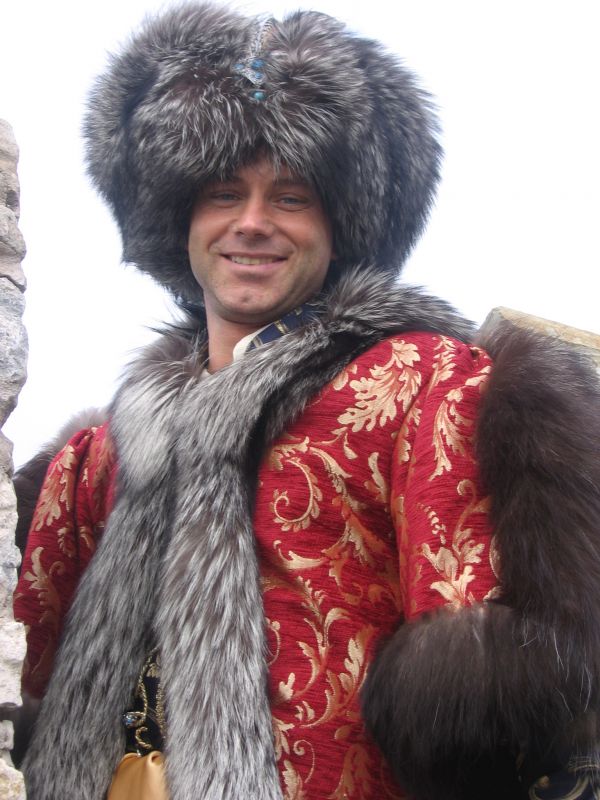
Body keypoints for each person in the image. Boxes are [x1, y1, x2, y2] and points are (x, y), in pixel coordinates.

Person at [12, 4, 600, 799]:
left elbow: (500, 691)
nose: (252, 223)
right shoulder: (99, 458)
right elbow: (36, 656)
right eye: (224, 193)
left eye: (290, 198)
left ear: (339, 224)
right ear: (181, 217)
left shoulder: (424, 384)